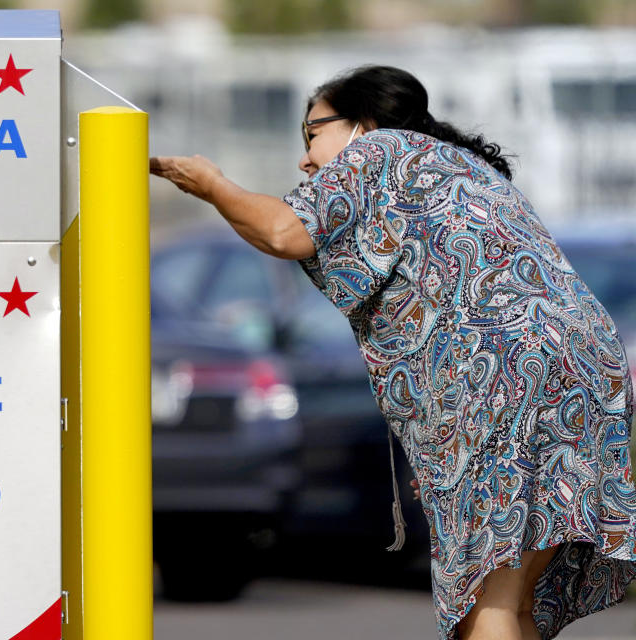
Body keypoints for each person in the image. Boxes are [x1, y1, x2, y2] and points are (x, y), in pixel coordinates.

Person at [149, 64, 636, 640]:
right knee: (512, 600)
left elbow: (283, 233)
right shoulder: (461, 167)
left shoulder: (378, 150)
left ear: (363, 122)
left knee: (485, 605)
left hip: (500, 378)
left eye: (312, 135)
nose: (305, 160)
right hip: (587, 374)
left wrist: (212, 186)